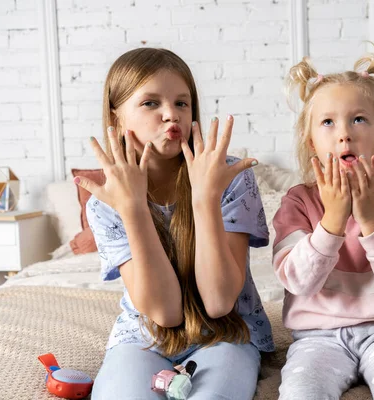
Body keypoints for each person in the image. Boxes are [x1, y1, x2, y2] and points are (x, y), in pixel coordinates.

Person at [74, 47, 275, 400]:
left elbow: (217, 303)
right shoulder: (105, 203)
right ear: (117, 117)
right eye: (151, 103)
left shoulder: (228, 177)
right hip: (145, 337)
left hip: (225, 333)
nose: (171, 115)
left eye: (182, 103)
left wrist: (204, 198)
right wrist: (134, 209)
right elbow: (165, 313)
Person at [272, 49, 374, 400]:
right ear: (311, 141)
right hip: (317, 335)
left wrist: (370, 220)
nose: (344, 134)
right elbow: (299, 283)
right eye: (328, 122)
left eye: (359, 120)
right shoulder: (298, 202)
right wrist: (333, 221)